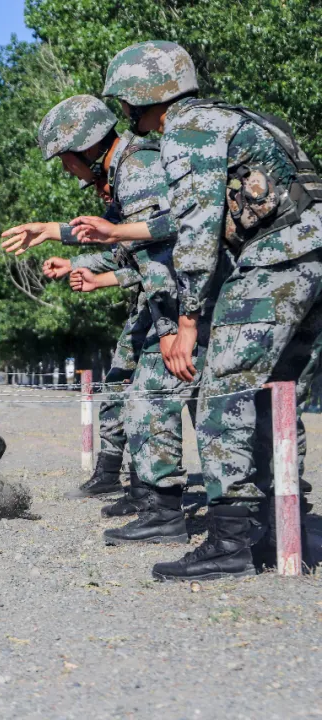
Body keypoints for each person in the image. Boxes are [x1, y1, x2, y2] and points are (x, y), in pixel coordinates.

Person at [73, 40, 321, 580]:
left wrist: (186, 320)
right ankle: (283, 523)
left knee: (222, 394)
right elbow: (196, 213)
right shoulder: (229, 118)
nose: (127, 116)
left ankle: (231, 541)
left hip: (275, 263)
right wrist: (116, 231)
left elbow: (196, 232)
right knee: (273, 397)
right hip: (309, 260)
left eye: (127, 103)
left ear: (141, 97)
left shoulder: (186, 133)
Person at [1, 95, 191, 535]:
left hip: (180, 299)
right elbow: (116, 240)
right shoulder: (125, 166)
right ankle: (149, 497)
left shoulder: (137, 167)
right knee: (139, 392)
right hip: (172, 299)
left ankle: (167, 511)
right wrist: (58, 241)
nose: (67, 170)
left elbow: (158, 254)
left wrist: (168, 328)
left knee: (154, 396)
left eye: (65, 159)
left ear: (84, 146)